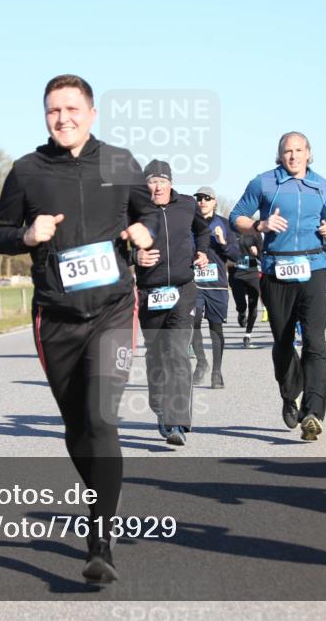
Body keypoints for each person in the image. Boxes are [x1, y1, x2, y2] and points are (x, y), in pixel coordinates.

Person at [0, 74, 160, 583]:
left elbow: (146, 209)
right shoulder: (26, 170)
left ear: (91, 113)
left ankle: (100, 537)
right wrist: (27, 234)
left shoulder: (120, 161)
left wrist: (141, 227)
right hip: (55, 317)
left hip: (111, 310)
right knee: (77, 427)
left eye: (71, 109)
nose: (62, 118)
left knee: (101, 417)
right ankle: (104, 490)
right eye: (52, 111)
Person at [230, 131, 326, 441]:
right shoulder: (263, 183)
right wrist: (259, 225)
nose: (293, 156)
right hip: (276, 270)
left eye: (299, 150)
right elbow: (236, 217)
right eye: (287, 151)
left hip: (314, 268)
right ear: (280, 156)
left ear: (309, 154)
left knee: (315, 343)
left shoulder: (322, 185)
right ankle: (289, 394)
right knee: (283, 341)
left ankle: (313, 413)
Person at [135, 159, 209, 446]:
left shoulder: (188, 204)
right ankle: (159, 405)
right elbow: (118, 243)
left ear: (170, 182)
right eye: (152, 182)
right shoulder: (136, 209)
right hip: (149, 292)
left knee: (177, 353)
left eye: (162, 181)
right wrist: (135, 257)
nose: (157, 187)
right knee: (156, 354)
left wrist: (202, 252)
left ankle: (177, 422)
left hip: (182, 289)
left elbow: (202, 230)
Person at [191, 186, 239, 389]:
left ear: (214, 202)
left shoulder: (225, 224)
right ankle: (201, 362)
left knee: (215, 327)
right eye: (199, 198)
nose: (202, 201)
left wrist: (223, 242)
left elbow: (236, 256)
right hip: (193, 283)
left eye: (207, 198)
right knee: (192, 322)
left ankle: (217, 372)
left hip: (217, 285)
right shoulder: (188, 224)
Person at [232, 229, 265, 347]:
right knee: (241, 305)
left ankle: (248, 335)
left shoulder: (255, 234)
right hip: (236, 273)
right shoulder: (231, 232)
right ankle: (241, 313)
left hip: (252, 273)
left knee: (253, 305)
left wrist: (257, 253)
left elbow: (263, 256)